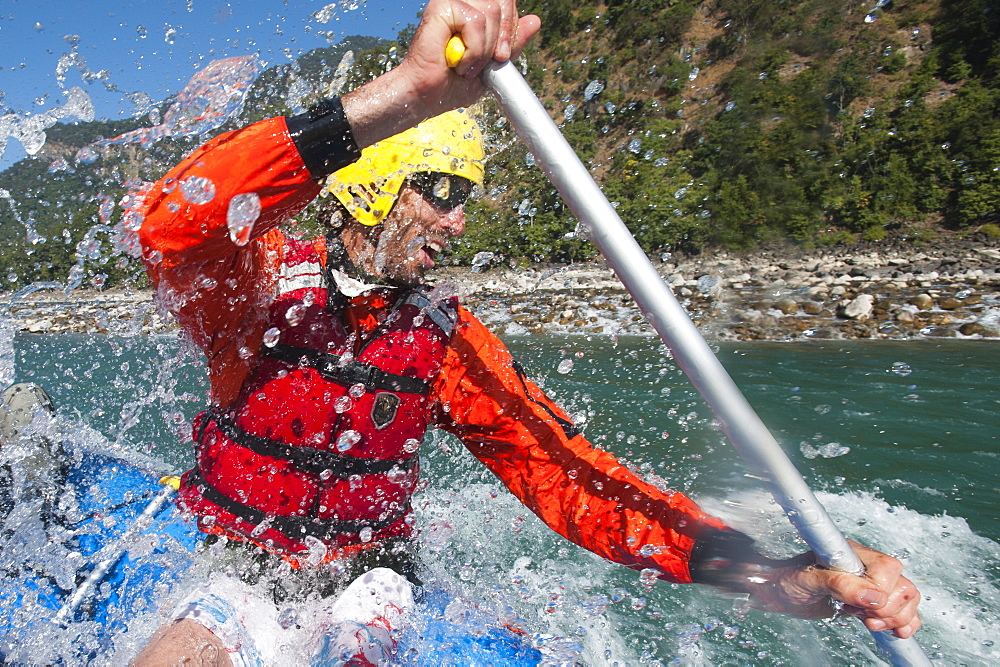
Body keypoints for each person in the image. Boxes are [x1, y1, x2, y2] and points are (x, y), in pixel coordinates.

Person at [132, 0, 921, 663]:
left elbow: (573, 482)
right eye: (440, 190)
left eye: (465, 195)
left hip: (369, 576)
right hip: (241, 566)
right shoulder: (256, 288)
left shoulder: (443, 340)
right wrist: (405, 95)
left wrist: (784, 575)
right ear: (373, 188)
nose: (459, 218)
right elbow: (174, 222)